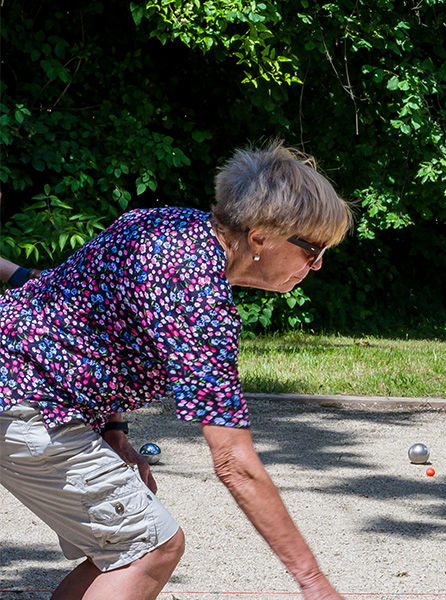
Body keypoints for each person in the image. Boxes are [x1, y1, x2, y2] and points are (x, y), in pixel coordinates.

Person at [0, 142, 353, 599]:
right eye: (312, 249)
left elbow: (79, 308)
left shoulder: (158, 223)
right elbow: (233, 462)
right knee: (149, 549)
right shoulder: (200, 299)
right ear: (261, 236)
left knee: (121, 546)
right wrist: (314, 583)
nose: (318, 263)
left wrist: (114, 431)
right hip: (29, 402)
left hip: (22, 385)